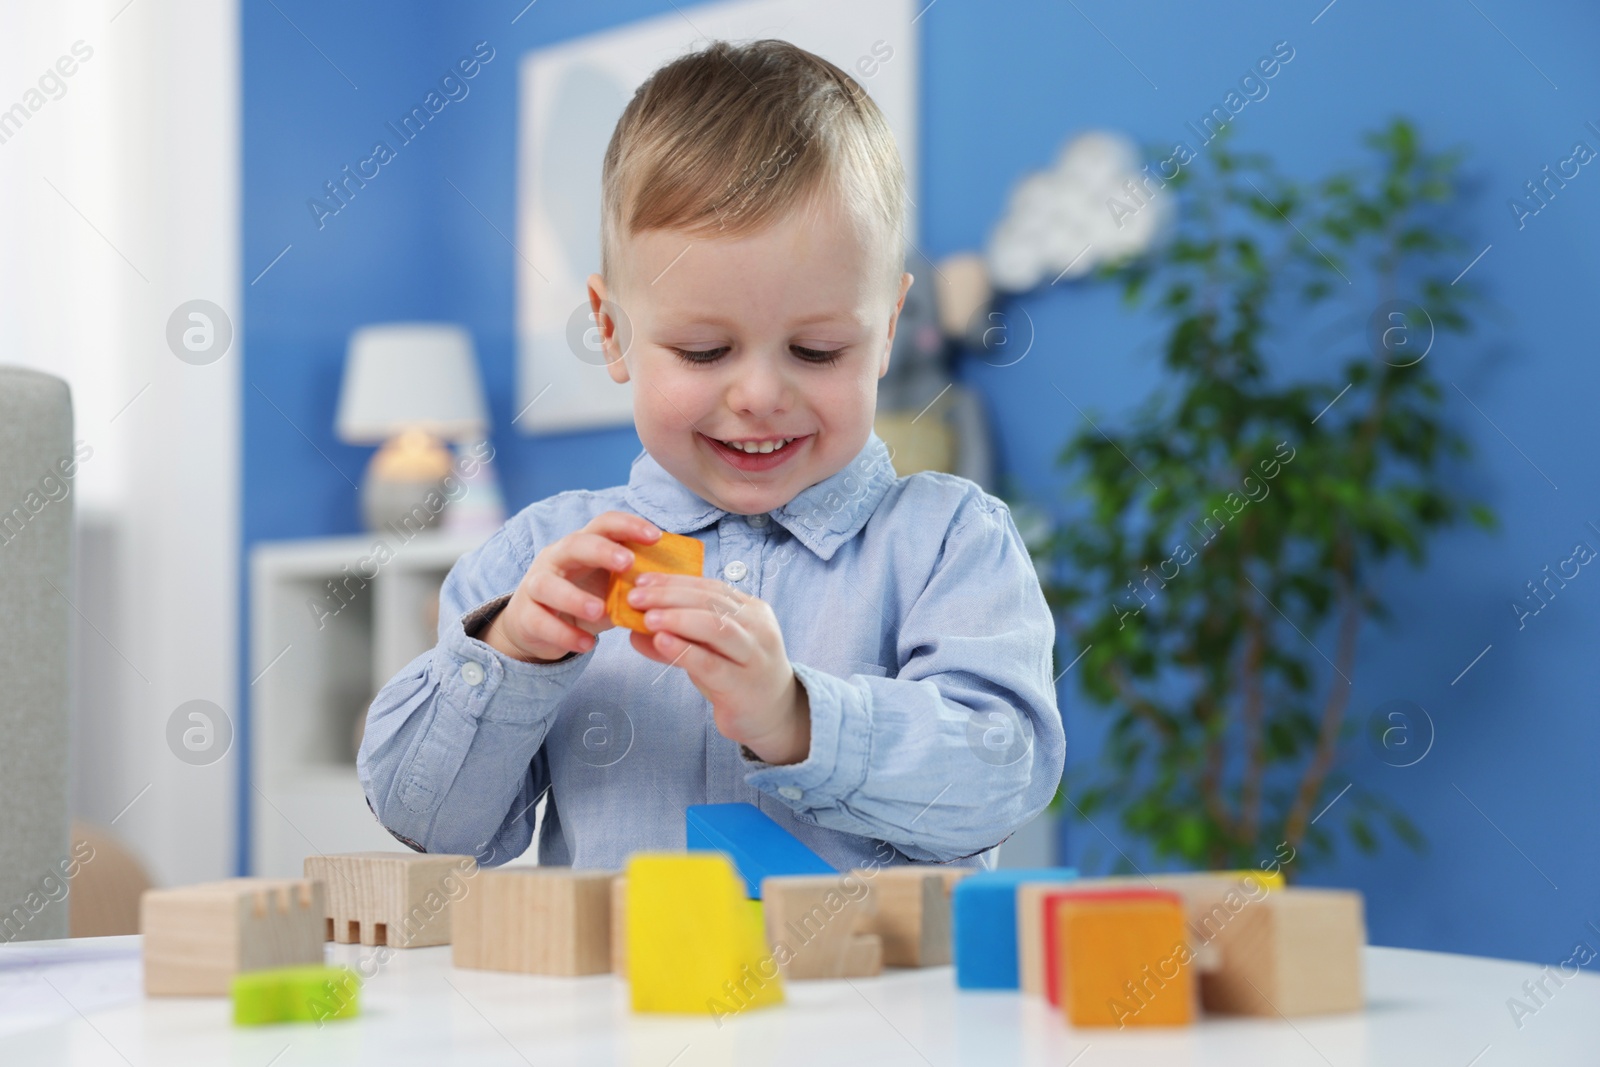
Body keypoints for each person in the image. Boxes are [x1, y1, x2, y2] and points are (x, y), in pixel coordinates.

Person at [358, 38, 1063, 873]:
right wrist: (511, 657)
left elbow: (1001, 777)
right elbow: (425, 819)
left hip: (865, 1001)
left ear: (887, 331)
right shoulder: (531, 564)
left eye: (817, 350)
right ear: (611, 330)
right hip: (619, 1005)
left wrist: (796, 716)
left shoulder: (950, 542)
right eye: (702, 352)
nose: (760, 394)